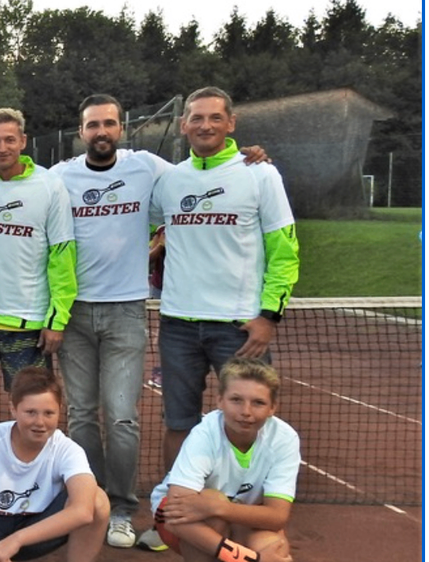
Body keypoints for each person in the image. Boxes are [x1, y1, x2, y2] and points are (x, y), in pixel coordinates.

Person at [50, 94, 273, 549]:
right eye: (93, 125)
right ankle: (87, 501)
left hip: (127, 310)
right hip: (73, 313)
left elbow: (207, 171)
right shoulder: (59, 177)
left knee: (122, 417)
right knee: (81, 418)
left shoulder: (151, 169)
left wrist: (248, 156)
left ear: (121, 129)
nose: (102, 132)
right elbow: (18, 184)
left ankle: (121, 508)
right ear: (81, 132)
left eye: (109, 123)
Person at [147, 87, 299, 551]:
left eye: (215, 118)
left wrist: (269, 314)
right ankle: (172, 517)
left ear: (231, 123)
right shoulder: (169, 180)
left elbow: (284, 248)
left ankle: (253, 514)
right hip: (176, 322)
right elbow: (145, 222)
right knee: (179, 422)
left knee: (252, 416)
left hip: (238, 328)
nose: (205, 126)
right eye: (196, 118)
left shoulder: (260, 174)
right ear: (184, 125)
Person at [0, 108, 76, 437]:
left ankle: (32, 471)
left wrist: (57, 320)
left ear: (23, 141)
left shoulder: (49, 186)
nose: (2, 147)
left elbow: (62, 255)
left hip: (27, 325)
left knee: (33, 405)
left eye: (9, 139)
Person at [0, 366, 108, 562]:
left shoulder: (68, 449)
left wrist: (16, 540)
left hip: (37, 526)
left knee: (97, 500)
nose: (40, 422)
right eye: (30, 412)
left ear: (60, 410)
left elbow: (83, 511)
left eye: (48, 413)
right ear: (13, 409)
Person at [150, 358, 298, 562]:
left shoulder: (284, 438)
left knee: (275, 548)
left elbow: (277, 516)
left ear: (272, 407)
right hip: (180, 521)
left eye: (258, 403)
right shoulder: (204, 435)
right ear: (220, 401)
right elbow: (176, 517)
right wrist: (248, 559)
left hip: (234, 515)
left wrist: (221, 507)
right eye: (236, 400)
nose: (246, 411)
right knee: (213, 519)